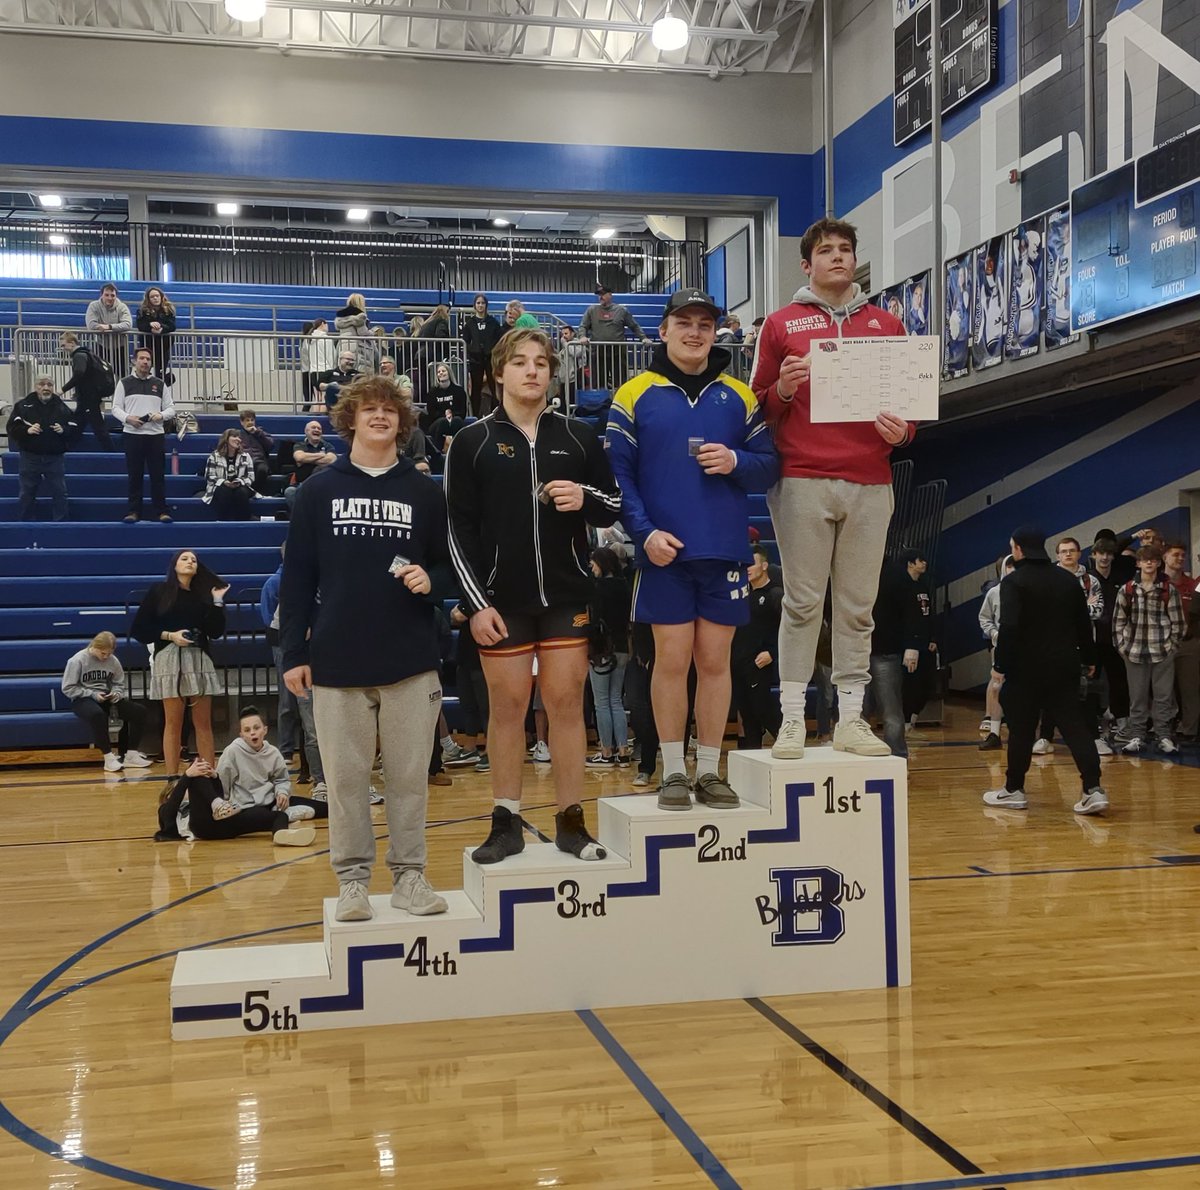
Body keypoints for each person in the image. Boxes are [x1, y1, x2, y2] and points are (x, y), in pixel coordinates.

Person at [445, 327, 622, 864]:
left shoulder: (579, 436)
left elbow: (612, 506)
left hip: (568, 596)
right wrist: (477, 605)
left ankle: (572, 821)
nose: (531, 371)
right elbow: (457, 531)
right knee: (508, 707)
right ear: (499, 372)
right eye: (520, 362)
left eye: (541, 363)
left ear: (552, 372)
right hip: (502, 602)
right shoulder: (471, 441)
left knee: (568, 706)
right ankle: (505, 823)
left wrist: (582, 496)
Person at [281, 375, 452, 923]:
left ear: (402, 424)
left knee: (408, 781)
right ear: (349, 419)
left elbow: (452, 565)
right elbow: (297, 580)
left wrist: (435, 580)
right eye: (368, 409)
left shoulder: (427, 493)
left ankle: (410, 877)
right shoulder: (316, 491)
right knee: (347, 784)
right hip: (336, 661)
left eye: (389, 410)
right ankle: (353, 882)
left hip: (411, 661)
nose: (380, 416)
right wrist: (293, 655)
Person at [606, 288, 778, 810]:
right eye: (684, 321)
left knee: (716, 662)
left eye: (705, 323)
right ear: (663, 330)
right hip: (664, 554)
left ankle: (709, 770)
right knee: (672, 661)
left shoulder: (739, 396)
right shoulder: (633, 394)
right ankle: (673, 771)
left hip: (723, 552)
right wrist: (645, 534)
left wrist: (736, 461)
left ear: (715, 333)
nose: (695, 331)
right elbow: (620, 480)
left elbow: (769, 464)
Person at [750, 217, 915, 759]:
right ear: (807, 264)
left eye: (846, 249)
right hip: (802, 478)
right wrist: (783, 389)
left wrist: (905, 430)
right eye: (826, 251)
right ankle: (793, 718)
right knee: (801, 602)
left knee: (857, 607)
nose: (838, 257)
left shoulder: (888, 325)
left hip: (870, 479)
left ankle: (850, 719)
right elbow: (757, 407)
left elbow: (906, 410)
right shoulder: (779, 325)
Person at [983, 526, 1109, 816]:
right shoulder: (1068, 580)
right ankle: (1093, 789)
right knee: (1075, 726)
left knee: (1022, 730)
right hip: (1064, 665)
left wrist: (1000, 666)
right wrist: (1089, 659)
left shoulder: (1013, 582)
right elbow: (1082, 627)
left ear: (1017, 549)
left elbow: (1010, 627)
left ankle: (1014, 789)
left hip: (1025, 668)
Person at [131, 550, 228, 777]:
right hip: (169, 656)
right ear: (174, 565)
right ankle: (172, 778)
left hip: (198, 657)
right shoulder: (159, 591)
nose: (190, 562)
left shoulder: (203, 595)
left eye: (193, 559)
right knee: (172, 722)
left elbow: (215, 632)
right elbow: (140, 629)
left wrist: (217, 601)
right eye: (184, 558)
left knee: (203, 723)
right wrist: (170, 635)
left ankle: (209, 775)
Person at [260, 544, 327, 794]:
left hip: (328, 657)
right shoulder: (285, 584)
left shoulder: (330, 580)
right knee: (308, 722)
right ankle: (319, 780)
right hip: (301, 658)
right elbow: (275, 625)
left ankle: (343, 780)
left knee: (328, 725)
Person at [1113, 545, 1184, 755]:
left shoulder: (1168, 590)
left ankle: (1163, 736)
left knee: (1164, 696)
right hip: (1134, 650)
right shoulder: (1127, 589)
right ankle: (1137, 736)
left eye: (1153, 560)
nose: (1149, 563)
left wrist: (1172, 646)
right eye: (1145, 560)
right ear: (1138, 563)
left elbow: (1178, 622)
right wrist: (1122, 646)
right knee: (1137, 696)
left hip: (1162, 649)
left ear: (1159, 562)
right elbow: (1118, 621)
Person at [155, 757, 315, 847]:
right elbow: (172, 807)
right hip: (200, 828)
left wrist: (214, 777)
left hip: (222, 824)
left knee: (276, 815)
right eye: (183, 790)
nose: (187, 790)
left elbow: (218, 794)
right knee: (196, 774)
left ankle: (282, 834)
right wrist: (187, 778)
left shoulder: (204, 798)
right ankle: (218, 804)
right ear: (170, 796)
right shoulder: (167, 810)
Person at [867, 548, 930, 758]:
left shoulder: (894, 573)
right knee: (855, 712)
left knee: (891, 710)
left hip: (885, 649)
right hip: (855, 651)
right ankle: (855, 762)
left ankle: (898, 758)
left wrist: (912, 645)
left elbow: (912, 611)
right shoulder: (851, 568)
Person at [216, 706, 325, 825]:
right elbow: (222, 782)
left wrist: (282, 793)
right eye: (247, 730)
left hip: (272, 801)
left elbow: (281, 779)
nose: (252, 732)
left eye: (256, 728)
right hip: (247, 806)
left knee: (322, 808)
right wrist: (221, 806)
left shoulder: (273, 752)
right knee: (261, 817)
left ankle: (285, 813)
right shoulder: (232, 752)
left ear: (265, 730)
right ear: (241, 735)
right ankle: (284, 816)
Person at [62, 631, 151, 773]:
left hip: (106, 697)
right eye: (102, 653)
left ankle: (131, 754)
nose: (106, 657)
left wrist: (116, 693)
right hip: (83, 698)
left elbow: (118, 683)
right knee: (98, 714)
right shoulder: (77, 660)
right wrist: (92, 694)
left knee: (139, 711)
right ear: (94, 646)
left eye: (109, 654)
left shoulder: (113, 661)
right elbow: (68, 688)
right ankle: (108, 757)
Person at [112, 345, 176, 523]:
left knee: (158, 476)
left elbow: (171, 408)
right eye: (142, 358)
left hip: (155, 435)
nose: (145, 362)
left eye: (148, 359)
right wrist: (128, 419)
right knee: (135, 475)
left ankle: (161, 511)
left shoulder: (160, 383)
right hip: (132, 435)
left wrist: (160, 415)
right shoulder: (124, 383)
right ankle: (134, 511)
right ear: (134, 361)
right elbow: (115, 408)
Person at [731, 546, 784, 751]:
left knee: (763, 708)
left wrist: (772, 652)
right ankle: (752, 756)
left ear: (763, 565)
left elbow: (787, 630)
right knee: (746, 713)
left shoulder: (775, 594)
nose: (747, 569)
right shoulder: (741, 595)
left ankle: (786, 739)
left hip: (758, 662)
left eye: (751, 564)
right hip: (737, 662)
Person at [586, 546, 633, 767]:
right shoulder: (625, 585)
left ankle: (606, 751)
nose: (591, 567)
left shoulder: (597, 587)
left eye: (594, 563)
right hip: (623, 646)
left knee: (601, 702)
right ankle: (623, 751)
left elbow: (593, 620)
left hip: (601, 650)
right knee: (616, 700)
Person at [6, 375, 76, 521]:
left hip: (54, 459)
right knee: (27, 493)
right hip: (29, 457)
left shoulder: (62, 407)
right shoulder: (22, 406)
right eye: (42, 384)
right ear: (35, 387)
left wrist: (63, 430)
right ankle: (25, 525)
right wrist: (26, 431)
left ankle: (61, 525)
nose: (46, 388)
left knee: (60, 492)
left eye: (49, 384)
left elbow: (74, 429)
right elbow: (12, 428)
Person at [577, 286, 652, 393]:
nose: (600, 297)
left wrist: (643, 338)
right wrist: (582, 336)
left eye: (603, 294)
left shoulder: (621, 310)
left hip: (618, 354)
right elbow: (583, 326)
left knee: (621, 384)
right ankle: (600, 407)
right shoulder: (592, 310)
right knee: (598, 385)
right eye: (599, 295)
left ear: (610, 295)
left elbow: (634, 326)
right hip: (598, 354)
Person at [978, 553, 1015, 750]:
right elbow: (984, 618)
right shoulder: (994, 592)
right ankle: (994, 732)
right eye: (1009, 567)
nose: (1013, 570)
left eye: (1016, 567)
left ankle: (1025, 732)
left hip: (1027, 649)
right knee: (996, 687)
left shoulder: (1030, 592)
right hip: (1002, 647)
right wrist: (994, 634)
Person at [59, 330, 115, 450]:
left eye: (63, 345)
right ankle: (67, 449)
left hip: (88, 398)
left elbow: (79, 373)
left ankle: (112, 453)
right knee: (77, 425)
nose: (62, 348)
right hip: (88, 398)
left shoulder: (79, 355)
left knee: (97, 428)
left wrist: (62, 390)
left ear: (72, 343)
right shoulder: (87, 354)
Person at [202, 428, 256, 521]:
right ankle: (224, 521)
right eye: (234, 436)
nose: (238, 439)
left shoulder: (246, 456)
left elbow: (251, 477)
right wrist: (223, 482)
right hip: (219, 486)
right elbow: (209, 476)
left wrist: (239, 481)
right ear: (226, 439)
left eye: (239, 437)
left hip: (240, 486)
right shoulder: (214, 456)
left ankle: (244, 521)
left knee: (241, 492)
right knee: (224, 491)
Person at [284, 419, 336, 510]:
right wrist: (321, 455)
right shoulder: (299, 445)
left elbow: (331, 460)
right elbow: (299, 457)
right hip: (301, 485)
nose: (317, 430)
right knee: (290, 492)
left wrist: (307, 459)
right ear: (306, 431)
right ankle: (303, 519)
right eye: (313, 428)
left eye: (319, 428)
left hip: (322, 486)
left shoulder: (328, 446)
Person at [462, 294, 501, 415]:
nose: (480, 305)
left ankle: (496, 413)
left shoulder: (493, 322)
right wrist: (473, 350)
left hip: (490, 359)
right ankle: (475, 415)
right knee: (476, 389)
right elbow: (465, 341)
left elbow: (498, 340)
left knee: (494, 388)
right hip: (476, 359)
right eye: (478, 303)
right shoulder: (470, 323)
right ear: (474, 306)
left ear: (486, 305)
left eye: (482, 303)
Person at [85, 283, 132, 372]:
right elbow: (91, 325)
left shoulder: (122, 307)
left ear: (116, 296)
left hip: (120, 347)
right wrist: (116, 328)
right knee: (98, 375)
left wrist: (108, 327)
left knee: (123, 376)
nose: (110, 298)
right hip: (100, 346)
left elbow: (128, 324)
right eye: (106, 295)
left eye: (112, 295)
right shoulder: (93, 306)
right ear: (101, 295)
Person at [136, 287, 176, 379]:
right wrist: (150, 326)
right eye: (152, 296)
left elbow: (172, 326)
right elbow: (140, 325)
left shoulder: (169, 310)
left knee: (160, 375)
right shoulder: (142, 311)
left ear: (161, 297)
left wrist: (161, 328)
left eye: (157, 296)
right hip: (147, 346)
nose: (155, 298)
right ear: (148, 299)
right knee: (144, 373)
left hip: (163, 347)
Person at [334, 293, 379, 374]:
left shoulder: (341, 317)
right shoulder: (359, 315)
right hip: (358, 347)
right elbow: (363, 332)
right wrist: (372, 333)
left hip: (344, 346)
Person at [300, 319, 335, 410]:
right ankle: (322, 419)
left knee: (317, 398)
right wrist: (332, 370)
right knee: (324, 397)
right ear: (323, 324)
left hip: (313, 371)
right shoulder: (326, 339)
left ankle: (316, 417)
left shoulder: (310, 339)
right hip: (325, 370)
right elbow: (331, 356)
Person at [237, 410, 275, 491]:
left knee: (262, 470)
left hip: (259, 461)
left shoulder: (261, 433)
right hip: (243, 462)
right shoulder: (237, 435)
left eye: (252, 420)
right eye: (247, 420)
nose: (250, 422)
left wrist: (258, 433)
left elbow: (271, 446)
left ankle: (255, 491)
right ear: (242, 422)